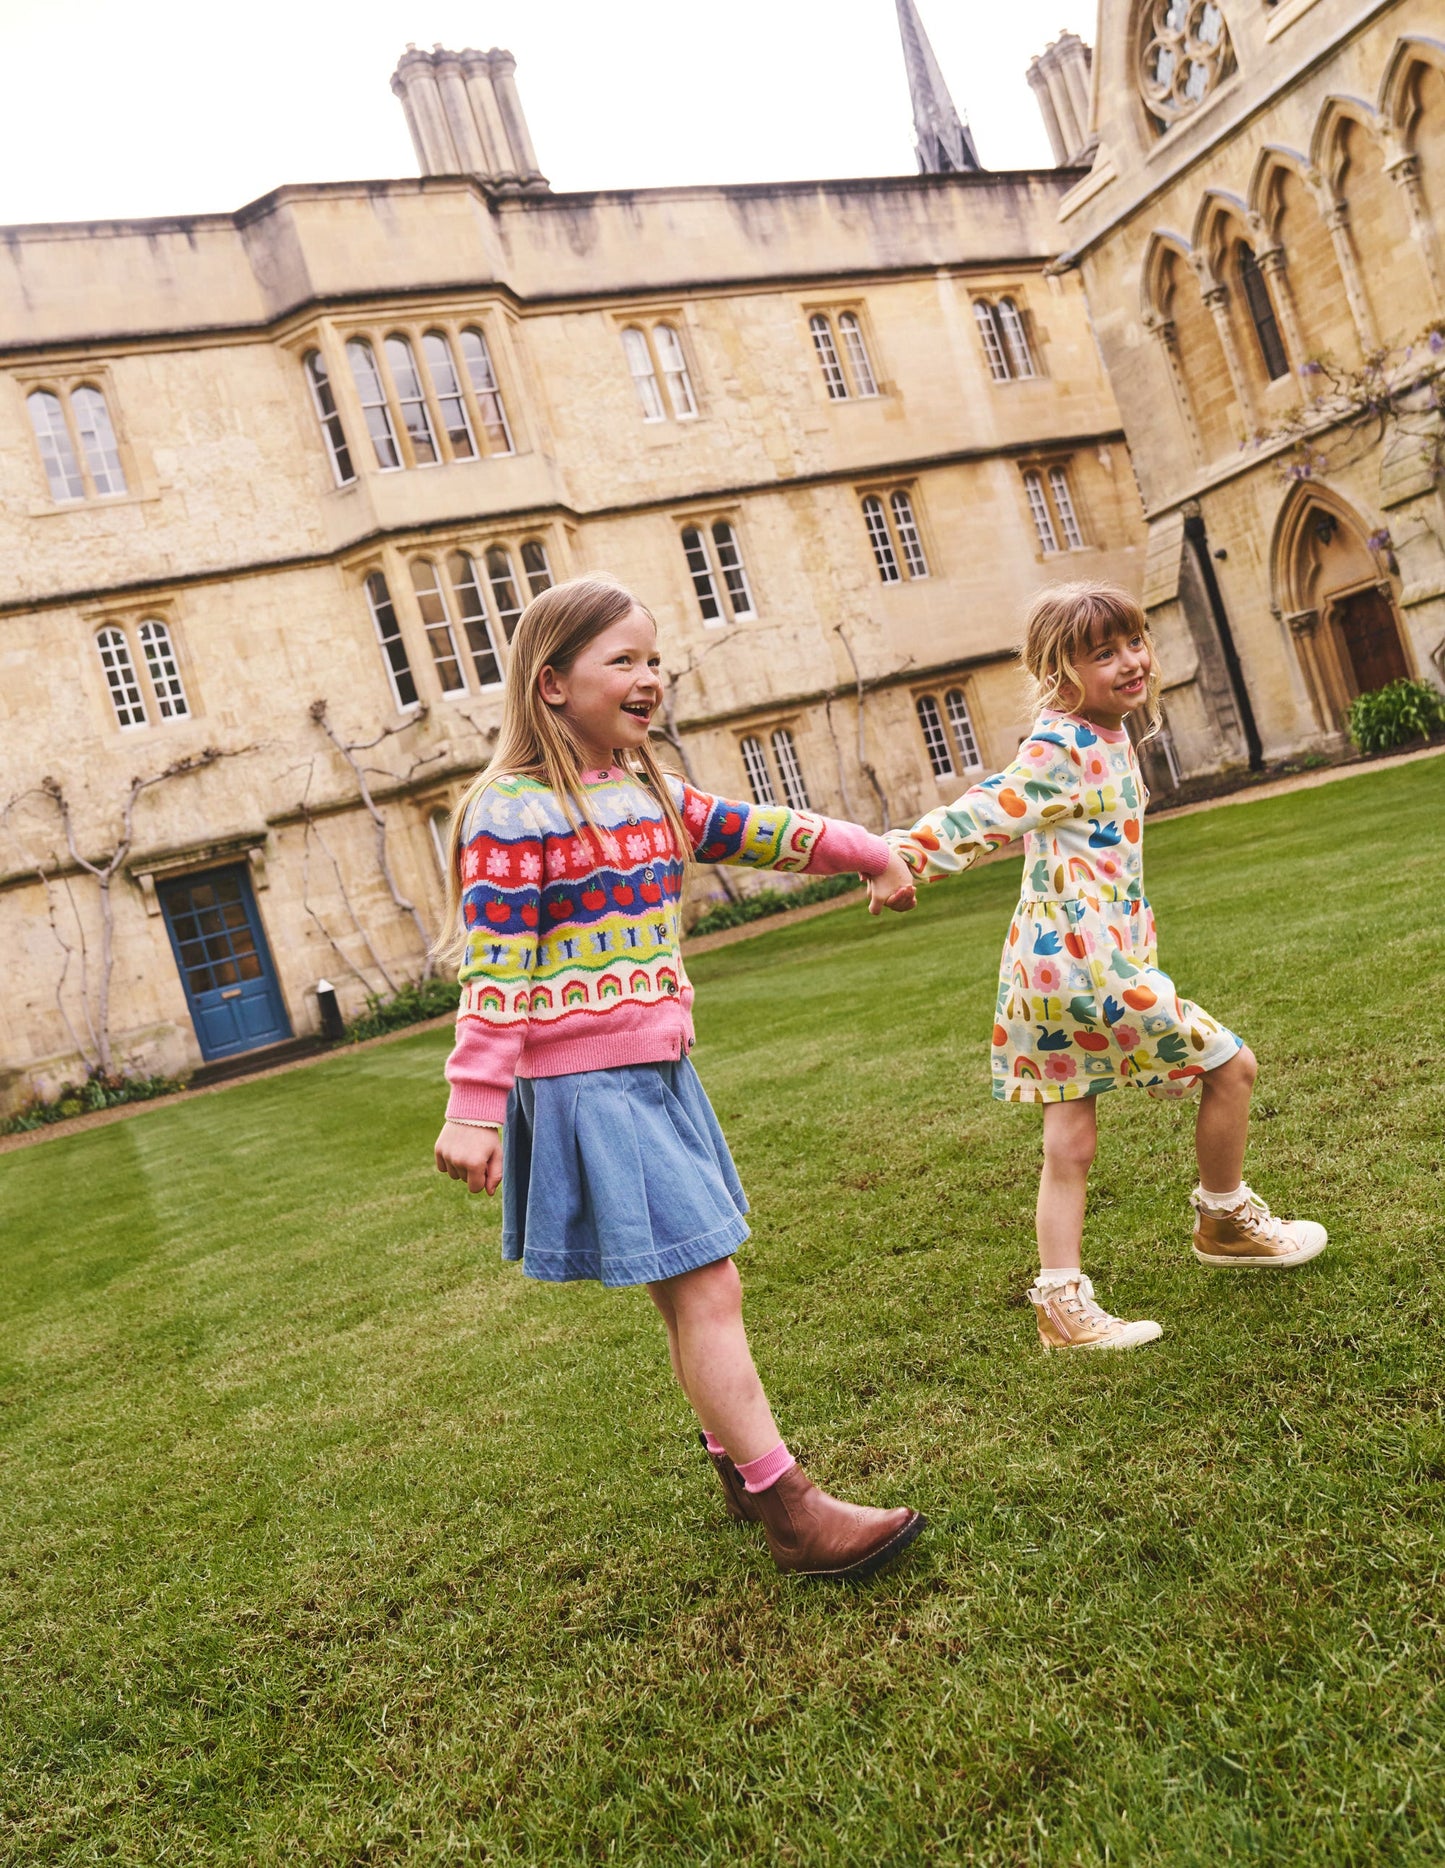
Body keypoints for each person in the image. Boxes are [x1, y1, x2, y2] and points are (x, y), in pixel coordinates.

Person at [433, 575, 925, 1578]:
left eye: (654, 658)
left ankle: (737, 1471)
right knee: (708, 1285)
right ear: (551, 683)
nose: (649, 677)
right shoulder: (511, 811)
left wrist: (869, 847)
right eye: (622, 660)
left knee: (690, 1288)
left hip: (656, 1074)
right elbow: (496, 968)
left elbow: (758, 828)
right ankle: (788, 1505)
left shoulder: (647, 787)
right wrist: (473, 1109)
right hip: (590, 1091)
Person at [887, 581, 1326, 1351]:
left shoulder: (1108, 733)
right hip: (1086, 969)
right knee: (1231, 1067)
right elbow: (988, 808)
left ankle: (1060, 1303)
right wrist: (901, 856)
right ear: (1060, 674)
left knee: (1071, 1139)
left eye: (1133, 642)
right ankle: (1221, 1219)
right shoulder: (1062, 746)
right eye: (1103, 653)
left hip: (1056, 968)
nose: (1130, 662)